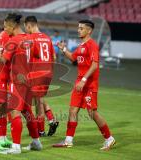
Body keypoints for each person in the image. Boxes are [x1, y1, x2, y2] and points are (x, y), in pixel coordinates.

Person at [52, 20, 115, 151]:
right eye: (78, 28)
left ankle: (109, 139)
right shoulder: (81, 45)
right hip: (79, 83)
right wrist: (63, 49)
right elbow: (73, 58)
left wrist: (84, 80)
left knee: (92, 113)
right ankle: (68, 141)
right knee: (72, 110)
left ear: (89, 31)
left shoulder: (92, 45)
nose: (78, 30)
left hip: (89, 84)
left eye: (81, 28)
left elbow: (94, 65)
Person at [0, 13, 42, 154]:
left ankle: (16, 147)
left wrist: (0, 51)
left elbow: (3, 61)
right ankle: (36, 141)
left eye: (6, 27)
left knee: (15, 112)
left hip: (16, 81)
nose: (5, 30)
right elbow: (36, 56)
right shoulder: (30, 39)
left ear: (12, 26)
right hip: (28, 81)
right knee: (27, 112)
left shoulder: (13, 41)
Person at [24, 15, 59, 137]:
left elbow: (27, 58)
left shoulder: (30, 38)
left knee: (37, 103)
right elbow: (54, 57)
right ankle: (51, 120)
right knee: (40, 99)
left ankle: (41, 130)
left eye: (26, 27)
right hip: (47, 73)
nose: (26, 30)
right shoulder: (47, 38)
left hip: (36, 73)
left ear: (29, 25)